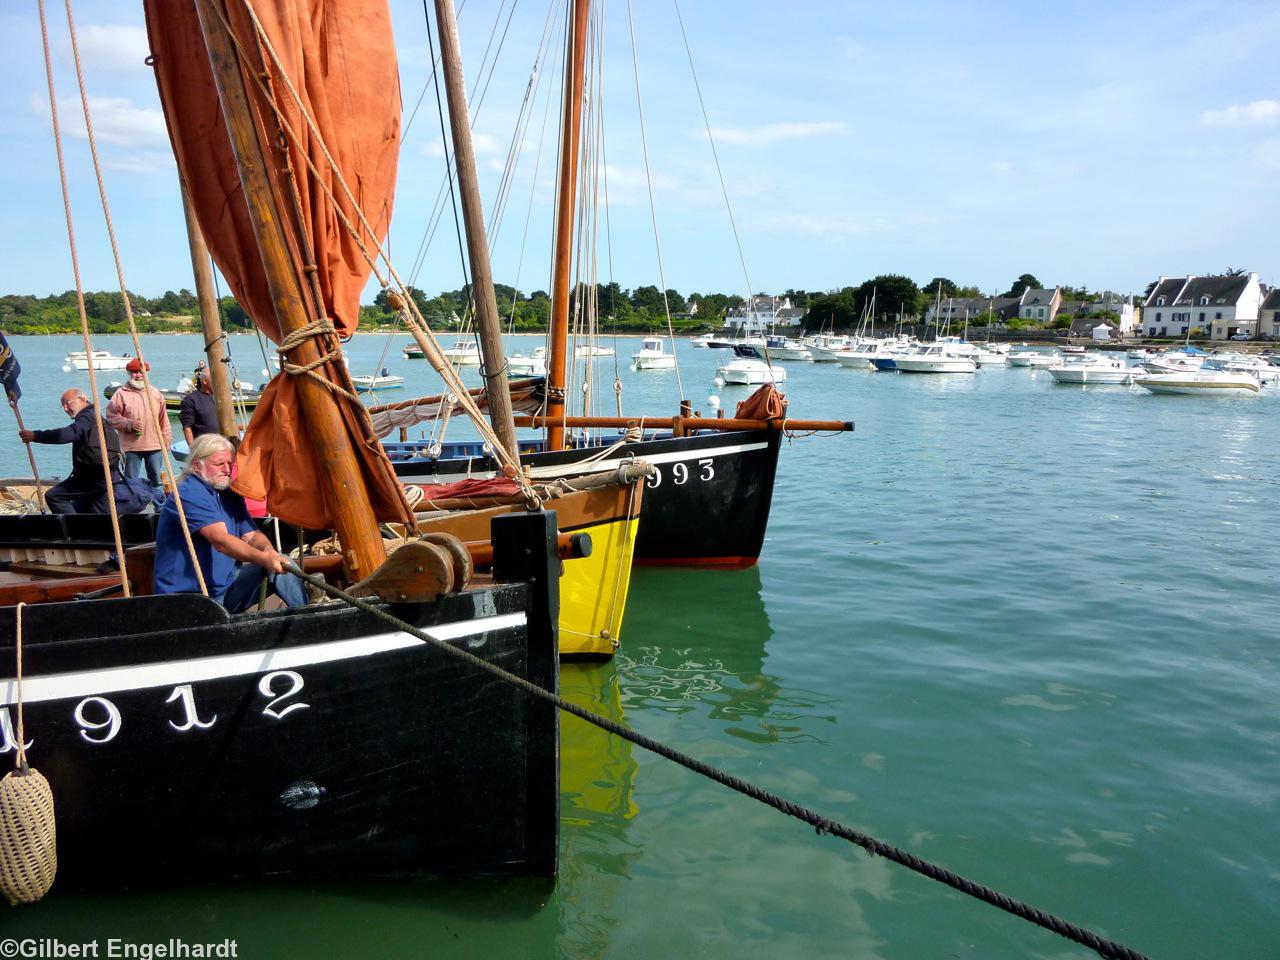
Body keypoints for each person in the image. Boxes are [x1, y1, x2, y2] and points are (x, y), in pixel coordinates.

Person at [153, 433, 306, 612]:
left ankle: (305, 614)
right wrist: (265, 560)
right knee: (274, 564)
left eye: (229, 463)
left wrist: (269, 551)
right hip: (189, 599)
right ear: (196, 466)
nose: (226, 469)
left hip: (225, 587)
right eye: (219, 464)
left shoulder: (228, 494)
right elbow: (222, 542)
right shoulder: (189, 494)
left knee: (285, 563)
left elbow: (251, 536)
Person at [18, 389, 140, 514]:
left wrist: (36, 436)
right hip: (109, 475)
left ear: (83, 399)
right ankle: (107, 533)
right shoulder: (95, 416)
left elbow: (69, 434)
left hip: (95, 478)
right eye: (63, 406)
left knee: (54, 496)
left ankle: (74, 531)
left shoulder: (87, 416)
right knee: (101, 513)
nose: (66, 409)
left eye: (68, 403)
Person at [105, 358, 171, 488]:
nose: (139, 375)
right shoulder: (121, 393)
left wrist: (167, 439)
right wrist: (129, 424)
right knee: (130, 481)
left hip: (155, 445)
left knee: (156, 481)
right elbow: (111, 417)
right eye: (135, 372)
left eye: (141, 372)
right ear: (129, 373)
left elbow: (163, 419)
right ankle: (132, 507)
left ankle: (160, 507)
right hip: (131, 447)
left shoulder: (155, 393)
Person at [179, 369, 221, 445]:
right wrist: (193, 451)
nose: (218, 381)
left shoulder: (220, 398)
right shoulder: (191, 400)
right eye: (214, 378)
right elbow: (187, 428)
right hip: (203, 447)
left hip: (222, 445)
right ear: (205, 381)